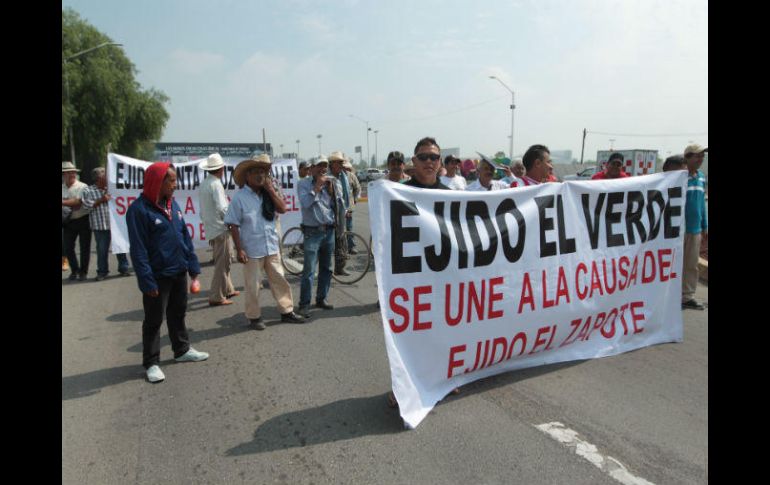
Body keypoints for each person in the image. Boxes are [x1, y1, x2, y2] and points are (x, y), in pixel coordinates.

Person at [388, 137, 457, 408]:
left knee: (441, 331)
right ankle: (400, 387)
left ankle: (442, 380)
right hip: (409, 277)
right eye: (424, 157)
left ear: (440, 163)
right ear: (413, 162)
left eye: (434, 157)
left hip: (441, 276)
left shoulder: (449, 194)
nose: (429, 162)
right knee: (407, 335)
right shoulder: (398, 193)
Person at [126, 162, 209, 383]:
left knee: (178, 313)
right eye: (171, 180)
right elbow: (138, 249)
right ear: (157, 181)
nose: (175, 184)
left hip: (178, 271)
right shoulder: (138, 210)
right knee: (154, 320)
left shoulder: (174, 206)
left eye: (175, 180)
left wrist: (193, 268)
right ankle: (151, 363)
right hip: (157, 276)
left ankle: (181, 350)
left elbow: (184, 239)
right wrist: (147, 281)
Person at [224, 154, 304, 329]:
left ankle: (287, 311)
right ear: (247, 176)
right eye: (255, 172)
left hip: (271, 246)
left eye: (263, 172)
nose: (260, 175)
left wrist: (270, 190)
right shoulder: (239, 198)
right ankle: (254, 318)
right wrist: (240, 249)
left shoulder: (268, 193)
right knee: (253, 286)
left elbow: (282, 208)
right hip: (252, 249)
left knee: (280, 280)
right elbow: (233, 225)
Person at [297, 156, 343, 317]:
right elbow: (305, 203)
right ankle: (304, 303)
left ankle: (321, 298)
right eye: (319, 166)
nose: (323, 169)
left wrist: (332, 192)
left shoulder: (333, 182)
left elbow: (339, 205)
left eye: (325, 166)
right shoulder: (303, 184)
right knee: (309, 270)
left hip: (329, 230)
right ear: (312, 169)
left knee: (327, 268)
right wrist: (317, 186)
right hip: (312, 231)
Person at [198, 153, 239, 306]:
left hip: (211, 228)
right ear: (221, 169)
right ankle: (216, 295)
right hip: (220, 228)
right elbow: (223, 207)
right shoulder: (216, 184)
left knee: (223, 260)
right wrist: (231, 222)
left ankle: (228, 288)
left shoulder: (205, 184)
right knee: (224, 262)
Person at [81, 167, 131, 281]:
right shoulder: (88, 190)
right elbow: (86, 206)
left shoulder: (113, 189)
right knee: (102, 250)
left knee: (120, 247)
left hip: (115, 225)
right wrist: (101, 199)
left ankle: (124, 268)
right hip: (100, 226)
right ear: (99, 178)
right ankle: (102, 272)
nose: (109, 178)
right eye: (105, 176)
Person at [681, 144, 708, 310]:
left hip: (695, 229)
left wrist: (705, 224)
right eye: (697, 156)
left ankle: (687, 296)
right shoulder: (679, 178)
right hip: (678, 231)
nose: (700, 159)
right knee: (675, 264)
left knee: (691, 264)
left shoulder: (701, 177)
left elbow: (702, 204)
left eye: (702, 156)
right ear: (687, 158)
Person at [62, 161, 92, 281]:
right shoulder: (63, 187)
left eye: (73, 172)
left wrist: (64, 202)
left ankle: (83, 272)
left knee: (85, 247)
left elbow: (78, 203)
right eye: (68, 173)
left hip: (83, 219)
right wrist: (69, 202)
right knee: (68, 247)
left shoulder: (82, 186)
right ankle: (74, 270)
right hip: (68, 222)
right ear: (64, 174)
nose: (72, 174)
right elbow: (72, 203)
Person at [329, 151, 353, 276]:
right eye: (339, 163)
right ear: (332, 164)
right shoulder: (327, 177)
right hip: (329, 213)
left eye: (341, 163)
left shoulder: (342, 177)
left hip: (341, 212)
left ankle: (340, 268)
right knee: (329, 242)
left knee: (341, 240)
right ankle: (326, 268)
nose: (341, 165)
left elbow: (345, 195)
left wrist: (347, 209)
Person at [343, 158, 362, 254]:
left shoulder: (352, 176)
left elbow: (357, 189)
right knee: (337, 229)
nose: (345, 169)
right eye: (343, 167)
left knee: (349, 227)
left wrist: (355, 200)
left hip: (349, 206)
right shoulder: (334, 177)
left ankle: (351, 247)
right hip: (338, 207)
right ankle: (339, 248)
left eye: (346, 168)